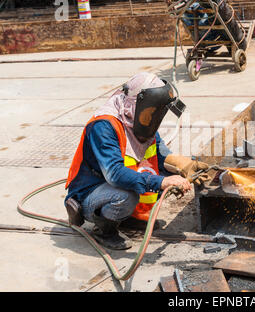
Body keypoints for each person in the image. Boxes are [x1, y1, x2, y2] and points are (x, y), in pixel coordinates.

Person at [64, 72, 209, 250]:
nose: (152, 117)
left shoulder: (135, 119)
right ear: (137, 104)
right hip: (89, 191)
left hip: (110, 184)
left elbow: (157, 151)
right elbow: (115, 174)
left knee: (163, 174)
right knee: (127, 195)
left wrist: (183, 165)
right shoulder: (103, 126)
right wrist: (161, 182)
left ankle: (127, 219)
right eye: (150, 112)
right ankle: (104, 231)